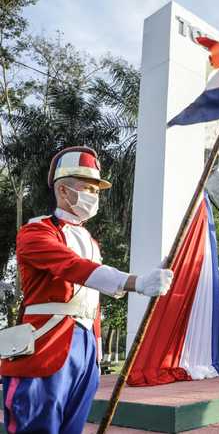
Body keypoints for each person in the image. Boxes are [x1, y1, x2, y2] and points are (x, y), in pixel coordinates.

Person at [0, 147, 174, 434]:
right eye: (87, 188)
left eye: (96, 190)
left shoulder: (91, 240)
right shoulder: (35, 232)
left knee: (73, 427)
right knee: (36, 426)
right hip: (47, 342)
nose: (94, 196)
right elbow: (72, 266)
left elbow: (91, 290)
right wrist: (136, 282)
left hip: (87, 345)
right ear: (64, 191)